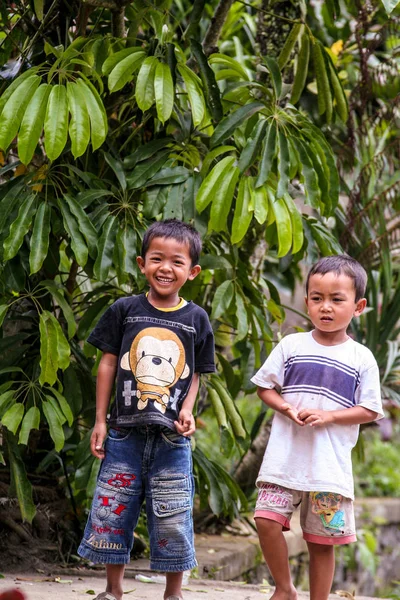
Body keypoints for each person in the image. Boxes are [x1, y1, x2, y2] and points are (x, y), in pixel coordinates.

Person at [78, 219, 216, 600]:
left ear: (193, 271)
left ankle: (173, 594)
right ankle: (113, 590)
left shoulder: (196, 319)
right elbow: (108, 363)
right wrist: (100, 420)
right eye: (157, 259)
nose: (165, 268)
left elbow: (196, 375)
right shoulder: (125, 309)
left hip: (172, 438)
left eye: (176, 261)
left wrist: (187, 409)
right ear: (142, 263)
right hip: (123, 433)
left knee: (173, 516)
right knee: (113, 509)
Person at [250, 255, 384, 600]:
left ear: (358, 306)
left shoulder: (361, 358)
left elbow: (370, 409)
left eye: (337, 299)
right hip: (284, 460)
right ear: (307, 300)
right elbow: (265, 386)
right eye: (316, 298)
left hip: (327, 469)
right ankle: (285, 588)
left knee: (322, 541)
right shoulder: (291, 346)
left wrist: (330, 417)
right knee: (266, 521)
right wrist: (285, 406)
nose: (325, 307)